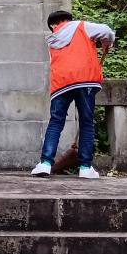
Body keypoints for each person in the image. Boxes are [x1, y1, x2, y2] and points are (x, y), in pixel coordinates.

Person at [31, 10, 116, 180]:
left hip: (61, 83)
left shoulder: (52, 40)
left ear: (54, 25)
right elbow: (107, 30)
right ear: (69, 19)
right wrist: (107, 42)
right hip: (85, 81)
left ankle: (45, 163)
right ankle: (85, 167)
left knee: (56, 121)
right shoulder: (82, 26)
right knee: (86, 122)